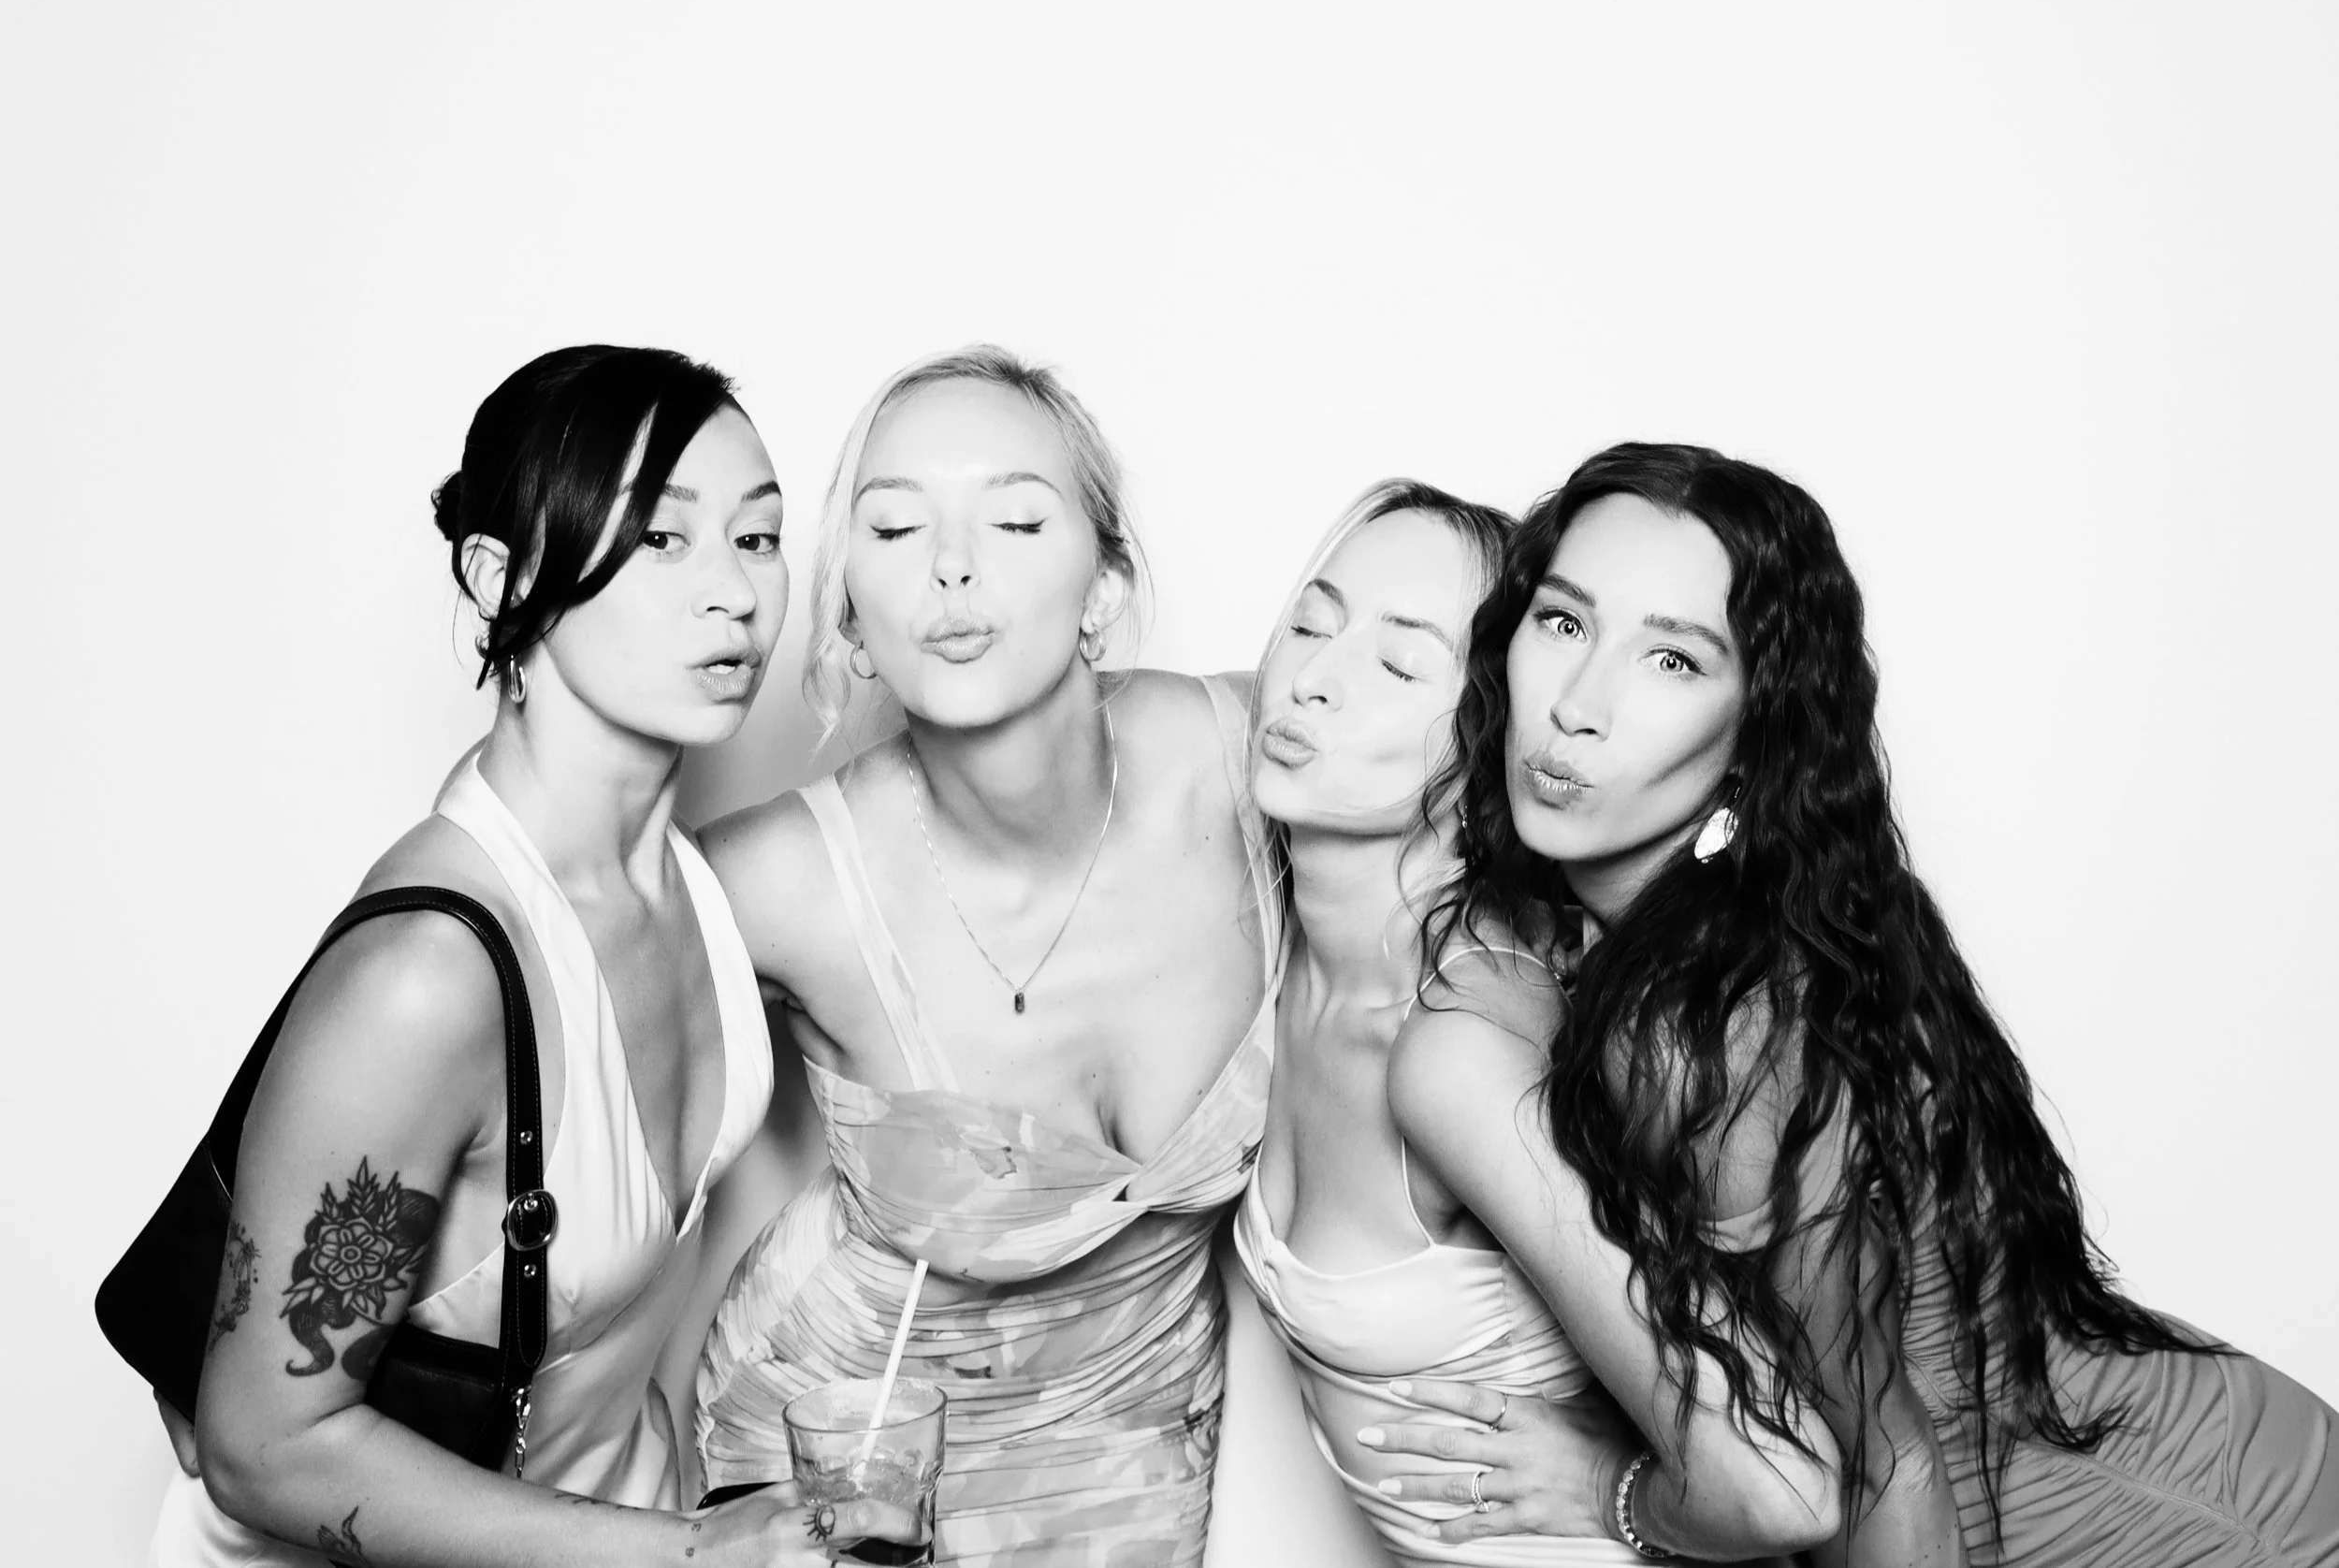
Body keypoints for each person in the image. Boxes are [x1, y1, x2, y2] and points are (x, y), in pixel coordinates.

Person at [1411, 440, 2339, 1564]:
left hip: (2175, 1529)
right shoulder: (1747, 912)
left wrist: (1621, 1492)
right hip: (2195, 1448)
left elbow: (1879, 1461)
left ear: (1754, 735)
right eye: (1563, 623)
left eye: (1673, 662)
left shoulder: (1702, 1023)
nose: (1576, 707)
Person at [153, 346, 919, 1567]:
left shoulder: (701, 890)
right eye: (661, 540)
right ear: (499, 573)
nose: (730, 592)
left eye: (759, 538)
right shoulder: (428, 974)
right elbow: (261, 1447)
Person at [692, 347, 1276, 1567]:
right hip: (838, 1458)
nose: (953, 564)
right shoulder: (779, 877)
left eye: (1014, 516)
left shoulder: (1251, 763)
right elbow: (523, 1002)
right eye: (897, 527)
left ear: (1106, 590)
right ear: (850, 617)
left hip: (1140, 1460)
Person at [1235, 481, 1848, 1566]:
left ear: (1484, 718)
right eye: (1310, 623)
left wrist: (1622, 1495)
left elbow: (1783, 1487)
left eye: (1395, 664)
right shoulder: (1280, 945)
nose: (1315, 682)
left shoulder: (1458, 1048)